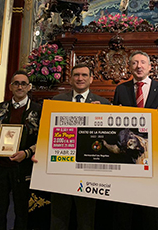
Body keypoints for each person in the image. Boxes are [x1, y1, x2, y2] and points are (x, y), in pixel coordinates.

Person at [112, 50, 158, 230]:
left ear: (150, 66)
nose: (139, 66)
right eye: (135, 63)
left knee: (150, 209)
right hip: (127, 158)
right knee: (125, 208)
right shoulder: (120, 89)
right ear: (129, 67)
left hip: (152, 158)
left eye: (143, 63)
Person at [51, 63, 111, 230]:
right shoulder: (57, 101)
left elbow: (107, 138)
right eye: (76, 75)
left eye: (84, 75)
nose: (80, 78)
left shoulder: (104, 104)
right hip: (61, 165)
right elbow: (47, 132)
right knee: (59, 215)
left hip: (88, 169)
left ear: (91, 79)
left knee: (86, 217)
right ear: (70, 79)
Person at [0, 70, 44, 230]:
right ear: (10, 87)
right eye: (16, 83)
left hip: (24, 168)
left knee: (22, 211)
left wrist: (26, 153)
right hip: (1, 167)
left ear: (29, 87)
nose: (20, 86)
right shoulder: (1, 107)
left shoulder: (38, 109)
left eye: (23, 83)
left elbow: (42, 139)